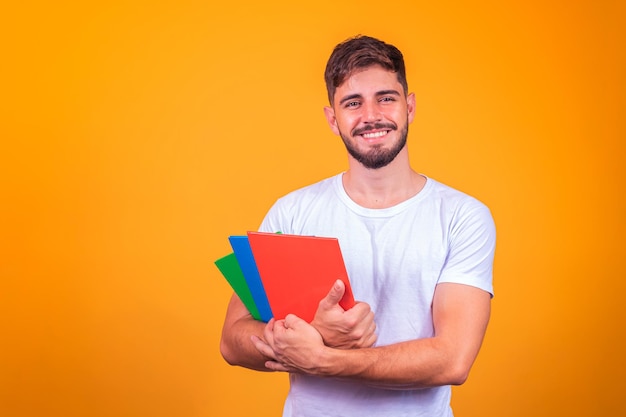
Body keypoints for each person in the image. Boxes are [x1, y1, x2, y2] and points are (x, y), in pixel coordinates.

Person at [220, 35, 496, 417]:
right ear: (333, 119)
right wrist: (310, 333)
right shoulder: (292, 213)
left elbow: (452, 359)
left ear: (410, 106)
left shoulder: (462, 217)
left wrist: (323, 358)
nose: (371, 115)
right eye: (353, 103)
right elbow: (233, 340)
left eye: (386, 97)